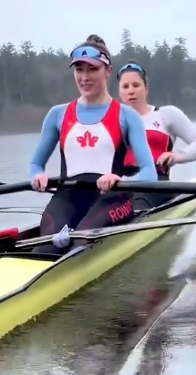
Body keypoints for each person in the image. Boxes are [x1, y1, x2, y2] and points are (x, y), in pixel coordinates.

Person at [29, 36, 158, 254]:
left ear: (107, 71)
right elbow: (35, 165)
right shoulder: (57, 115)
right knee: (45, 248)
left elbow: (149, 173)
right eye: (79, 70)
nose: (85, 77)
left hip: (113, 198)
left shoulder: (126, 116)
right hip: (68, 195)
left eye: (92, 70)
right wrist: (37, 176)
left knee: (82, 244)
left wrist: (121, 180)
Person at [117, 60, 196, 209]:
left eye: (136, 85)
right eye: (125, 87)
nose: (131, 91)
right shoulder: (112, 122)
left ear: (146, 88)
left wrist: (176, 157)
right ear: (120, 92)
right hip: (120, 185)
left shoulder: (166, 114)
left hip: (155, 184)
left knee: (136, 201)